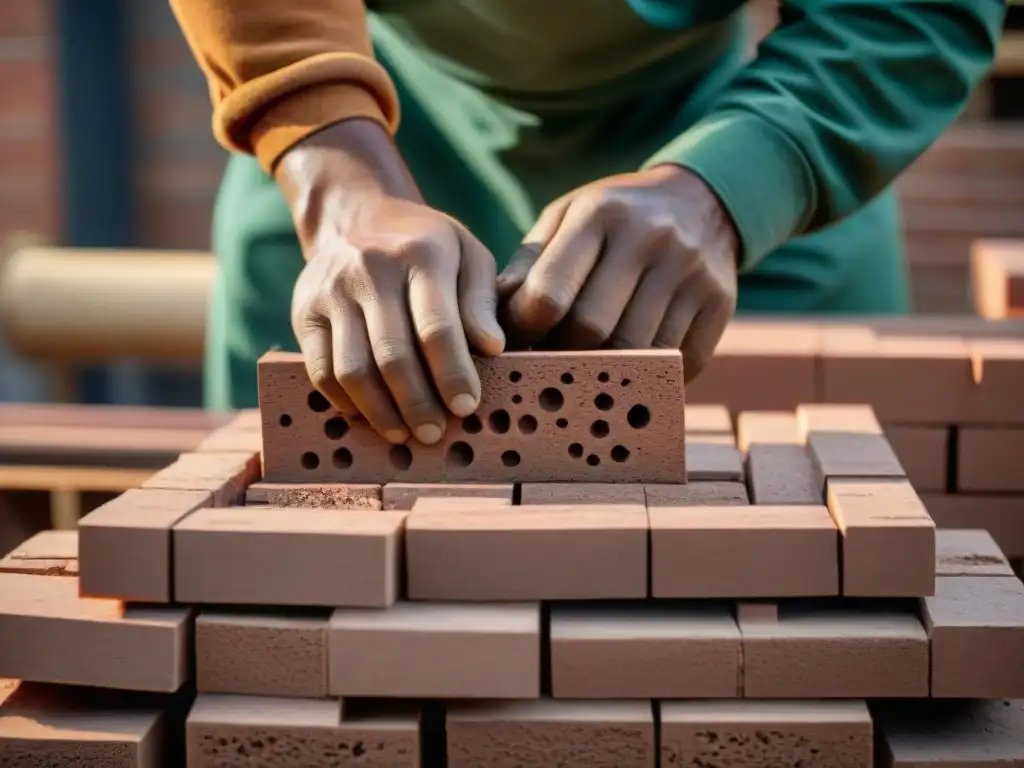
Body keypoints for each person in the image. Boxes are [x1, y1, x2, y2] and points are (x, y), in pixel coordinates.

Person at [170, 0, 1003, 446]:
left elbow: (908, 9)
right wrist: (336, 179)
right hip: (369, 128)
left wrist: (731, 190)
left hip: (737, 130)